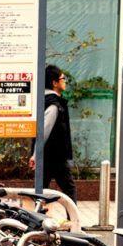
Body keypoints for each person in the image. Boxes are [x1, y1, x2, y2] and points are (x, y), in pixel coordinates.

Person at [29, 64, 76, 202]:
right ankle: (73, 222)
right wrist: (35, 155)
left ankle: (37, 218)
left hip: (47, 156)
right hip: (55, 157)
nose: (65, 81)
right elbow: (44, 131)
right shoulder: (54, 104)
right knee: (69, 189)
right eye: (63, 78)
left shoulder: (44, 101)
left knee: (39, 190)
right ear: (54, 83)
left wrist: (35, 154)